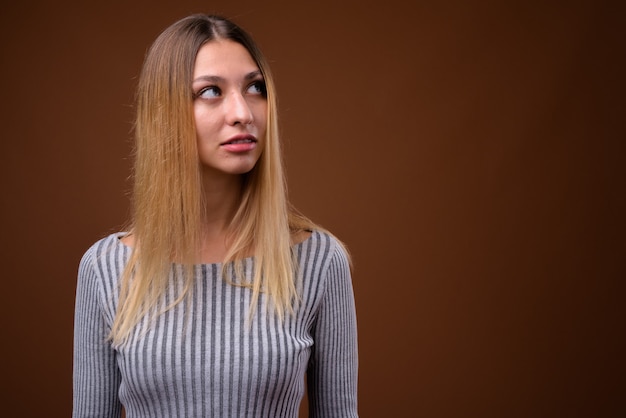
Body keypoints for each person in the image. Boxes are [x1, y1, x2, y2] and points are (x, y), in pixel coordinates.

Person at [72, 13, 358, 418]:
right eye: (210, 91)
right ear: (164, 114)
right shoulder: (106, 270)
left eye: (254, 87)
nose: (243, 111)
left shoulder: (318, 262)